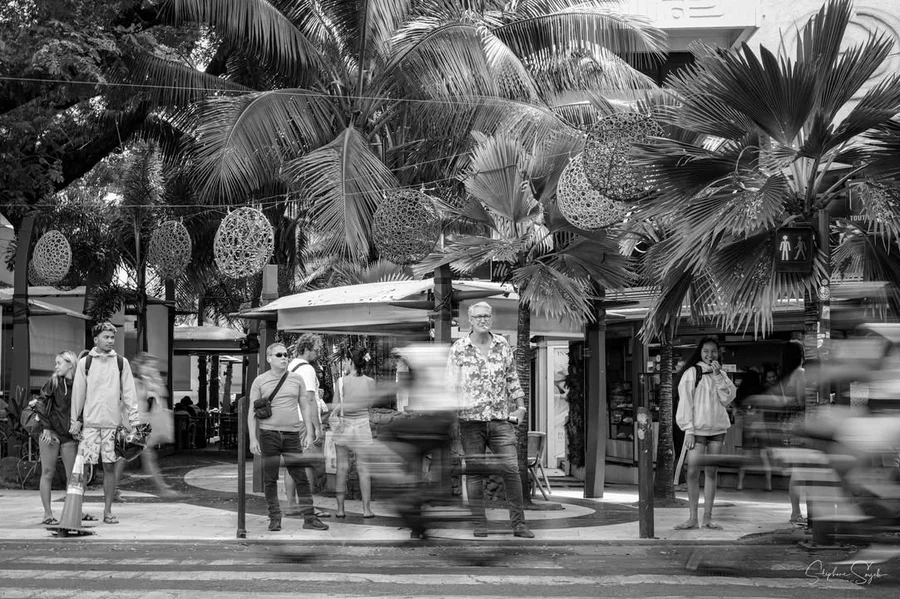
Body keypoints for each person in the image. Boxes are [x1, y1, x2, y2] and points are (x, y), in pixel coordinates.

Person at [447, 302, 533, 539]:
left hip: (500, 419)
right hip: (470, 420)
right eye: (478, 316)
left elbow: (512, 377)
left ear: (491, 318)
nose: (483, 320)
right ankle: (479, 525)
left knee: (512, 470)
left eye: (487, 315)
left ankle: (519, 525)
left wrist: (521, 406)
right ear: (470, 320)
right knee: (475, 474)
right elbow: (450, 387)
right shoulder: (459, 349)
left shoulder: (502, 345)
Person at [247, 342, 328, 533]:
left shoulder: (296, 379)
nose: (284, 358)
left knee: (301, 477)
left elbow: (305, 406)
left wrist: (309, 432)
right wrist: (253, 438)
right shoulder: (260, 381)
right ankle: (274, 517)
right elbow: (252, 411)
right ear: (269, 359)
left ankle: (309, 518)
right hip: (269, 434)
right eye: (279, 355)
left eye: (285, 355)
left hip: (292, 434)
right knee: (270, 479)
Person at [70, 322, 139, 525]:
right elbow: (78, 394)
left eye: (112, 337)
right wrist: (75, 421)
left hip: (112, 426)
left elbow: (129, 393)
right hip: (90, 426)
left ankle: (107, 511)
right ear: (96, 339)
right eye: (106, 337)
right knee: (82, 469)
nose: (110, 341)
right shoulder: (85, 363)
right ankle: (77, 511)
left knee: (109, 468)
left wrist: (134, 421)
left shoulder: (121, 362)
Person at [674, 337, 737, 530]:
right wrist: (689, 430)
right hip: (697, 430)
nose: (710, 355)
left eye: (714, 352)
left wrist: (718, 376)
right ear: (700, 353)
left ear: (718, 354)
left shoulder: (722, 374)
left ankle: (707, 517)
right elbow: (685, 403)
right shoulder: (692, 373)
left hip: (717, 429)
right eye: (706, 351)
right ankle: (693, 517)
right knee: (692, 471)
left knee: (711, 472)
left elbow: (727, 398)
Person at [114, 353, 180, 498]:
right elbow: (126, 405)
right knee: (142, 458)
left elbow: (160, 397)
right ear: (140, 366)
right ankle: (163, 489)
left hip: (139, 426)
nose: (152, 368)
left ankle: (113, 489)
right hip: (134, 425)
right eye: (149, 365)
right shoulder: (135, 383)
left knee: (127, 459)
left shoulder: (145, 383)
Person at [35, 351, 89, 525]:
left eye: (59, 363)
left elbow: (85, 407)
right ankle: (47, 514)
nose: (56, 366)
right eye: (56, 363)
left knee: (72, 476)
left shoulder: (81, 384)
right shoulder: (53, 382)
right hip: (50, 432)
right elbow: (41, 403)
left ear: (70, 364)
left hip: (69, 435)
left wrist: (79, 422)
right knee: (48, 472)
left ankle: (72, 513)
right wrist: (46, 428)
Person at [285, 333, 330, 514]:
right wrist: (316, 427)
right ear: (307, 348)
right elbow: (310, 400)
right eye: (316, 350)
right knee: (308, 463)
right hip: (304, 421)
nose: (317, 354)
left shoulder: (292, 366)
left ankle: (291, 505)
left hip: (292, 420)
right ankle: (308, 507)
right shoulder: (307, 369)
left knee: (292, 464)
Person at [331, 348, 375, 518]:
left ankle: (340, 509)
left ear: (350, 362)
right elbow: (369, 404)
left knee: (342, 468)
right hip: (362, 425)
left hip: (344, 426)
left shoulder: (341, 382)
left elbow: (335, 404)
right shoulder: (370, 382)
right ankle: (366, 510)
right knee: (363, 469)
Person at [777, 339, 807, 525]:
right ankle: (796, 513)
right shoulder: (800, 373)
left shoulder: (783, 376)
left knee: (796, 470)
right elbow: (802, 399)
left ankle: (795, 511)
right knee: (799, 470)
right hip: (800, 424)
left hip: (786, 425)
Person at [735, 370, 773, 491]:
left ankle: (740, 484)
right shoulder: (762, 390)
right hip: (761, 427)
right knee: (764, 456)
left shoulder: (741, 392)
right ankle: (769, 484)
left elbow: (736, 408)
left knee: (745, 457)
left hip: (748, 428)